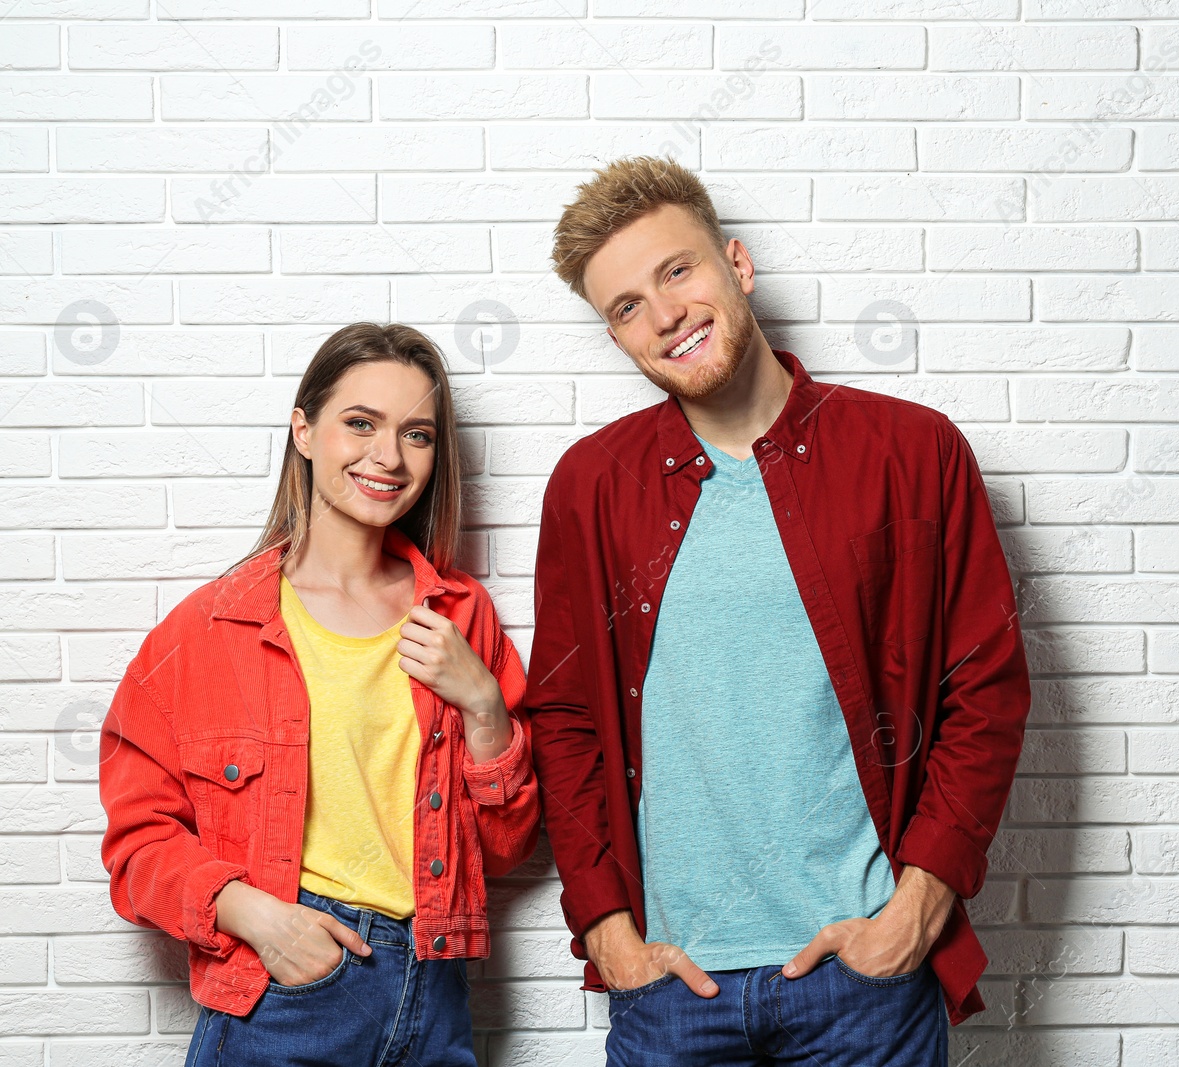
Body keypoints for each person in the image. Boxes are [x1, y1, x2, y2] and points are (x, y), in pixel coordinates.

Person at [526, 157, 1032, 1066]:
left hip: (862, 981)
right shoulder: (590, 488)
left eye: (677, 271)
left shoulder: (910, 454)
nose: (665, 313)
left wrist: (917, 907)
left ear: (737, 265)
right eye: (627, 306)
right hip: (671, 989)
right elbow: (564, 721)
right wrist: (603, 925)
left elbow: (984, 693)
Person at [98, 322, 539, 1067]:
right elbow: (138, 844)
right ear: (304, 430)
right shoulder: (210, 630)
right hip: (288, 993)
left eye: (418, 434)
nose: (388, 457)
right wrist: (257, 917)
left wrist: (485, 708)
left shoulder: (462, 617)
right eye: (360, 423)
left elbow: (503, 849)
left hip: (436, 991)